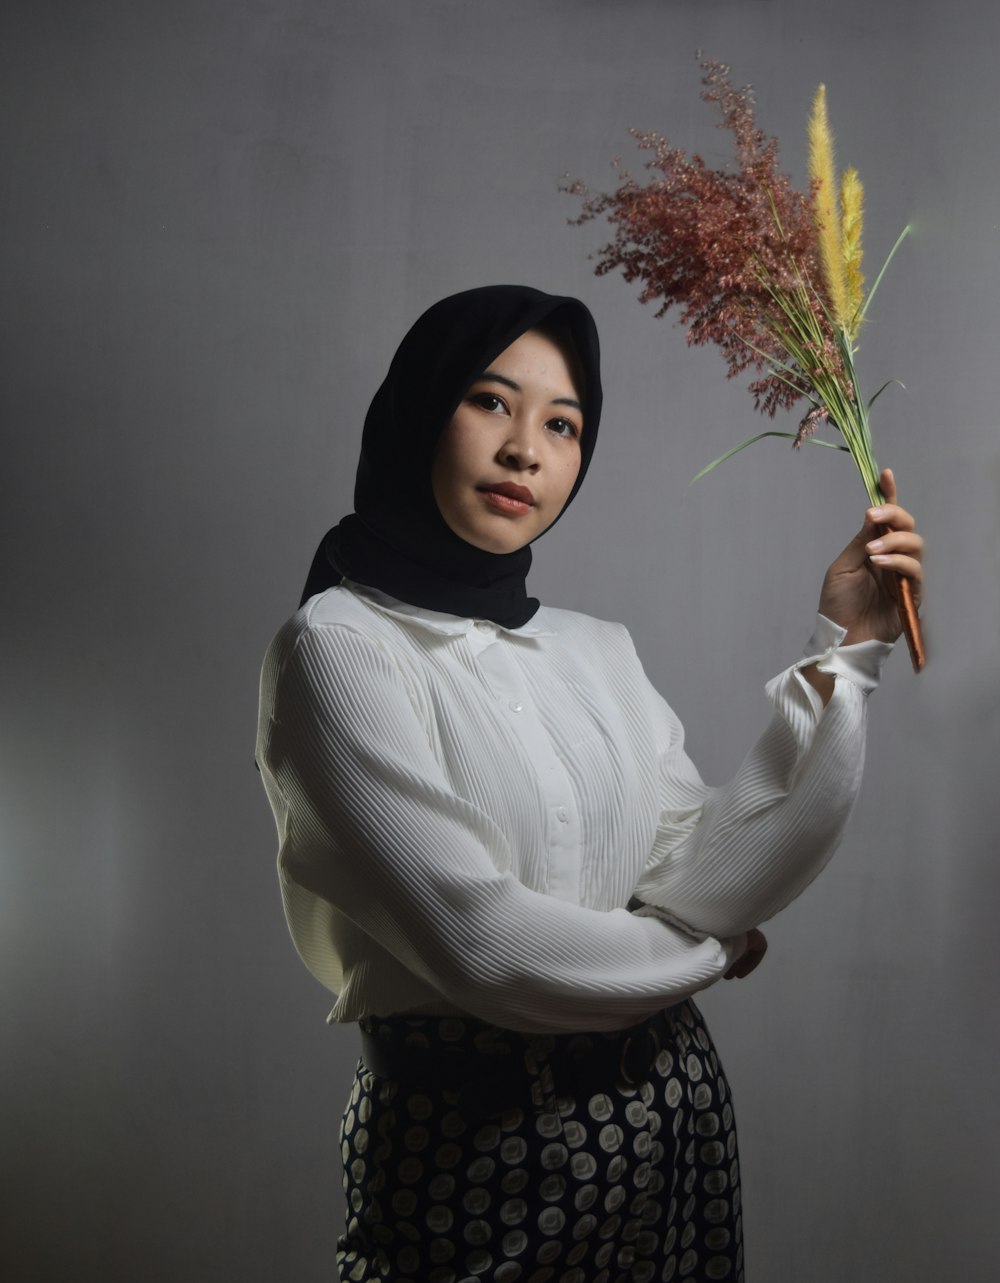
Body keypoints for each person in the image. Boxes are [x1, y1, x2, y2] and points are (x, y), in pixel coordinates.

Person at [255, 285, 923, 1283]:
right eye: (490, 400)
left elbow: (712, 869)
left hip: (670, 1123)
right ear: (420, 407)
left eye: (562, 422)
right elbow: (482, 944)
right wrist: (709, 950)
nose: (526, 447)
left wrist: (842, 653)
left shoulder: (596, 650)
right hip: (471, 1151)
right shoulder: (338, 647)